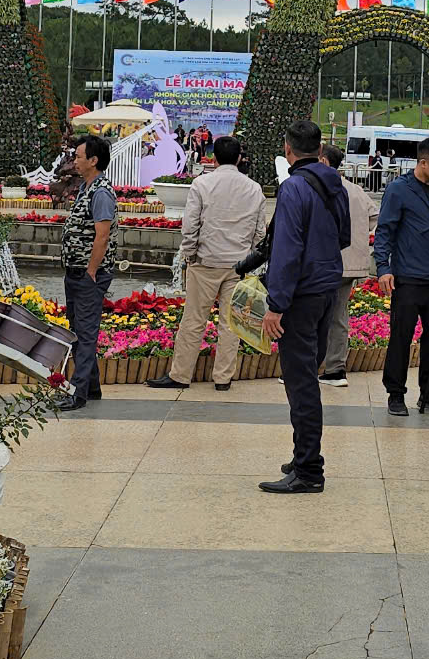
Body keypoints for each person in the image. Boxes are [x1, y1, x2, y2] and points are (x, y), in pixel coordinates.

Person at [252, 121, 348, 494]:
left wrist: (277, 304)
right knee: (308, 374)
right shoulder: (335, 183)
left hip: (301, 294)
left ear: (288, 149)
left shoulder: (293, 188)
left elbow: (287, 250)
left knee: (301, 382)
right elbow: (344, 236)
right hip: (327, 288)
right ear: (318, 148)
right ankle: (302, 455)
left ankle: (309, 470)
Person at [149, 134, 265, 393]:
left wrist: (189, 255)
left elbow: (190, 226)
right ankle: (223, 379)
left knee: (193, 320)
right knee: (230, 323)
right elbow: (260, 232)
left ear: (213, 158)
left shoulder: (201, 184)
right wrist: (248, 253)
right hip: (239, 265)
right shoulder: (254, 188)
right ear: (239, 158)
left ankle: (180, 375)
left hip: (205, 262)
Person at [374, 135, 429, 417]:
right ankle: (395, 394)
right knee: (401, 338)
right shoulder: (399, 190)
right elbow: (384, 231)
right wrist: (384, 269)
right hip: (409, 278)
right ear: (422, 162)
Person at [57, 134, 117, 412]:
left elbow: (102, 236)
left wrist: (92, 270)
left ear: (94, 160)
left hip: (88, 274)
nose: (75, 161)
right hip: (76, 270)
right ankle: (91, 388)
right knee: (79, 328)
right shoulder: (86, 187)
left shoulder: (101, 192)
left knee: (85, 331)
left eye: (79, 156)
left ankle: (77, 392)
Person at [323, 144, 376, 387]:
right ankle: (335, 368)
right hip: (351, 263)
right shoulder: (356, 190)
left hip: (325, 263)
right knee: (339, 315)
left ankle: (311, 367)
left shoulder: (321, 188)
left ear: (323, 161)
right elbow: (376, 218)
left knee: (314, 315)